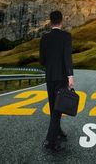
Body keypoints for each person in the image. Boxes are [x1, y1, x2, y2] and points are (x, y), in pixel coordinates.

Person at [39, 10, 74, 152]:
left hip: (49, 77)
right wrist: (70, 76)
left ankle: (58, 131)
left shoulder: (44, 38)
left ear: (50, 21)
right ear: (61, 21)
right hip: (61, 78)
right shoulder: (66, 36)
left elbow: (42, 60)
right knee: (58, 108)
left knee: (53, 105)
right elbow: (67, 57)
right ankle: (50, 141)